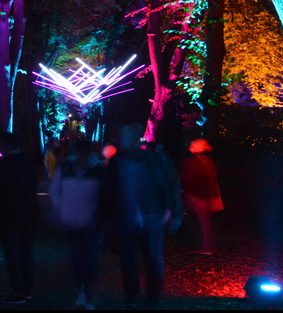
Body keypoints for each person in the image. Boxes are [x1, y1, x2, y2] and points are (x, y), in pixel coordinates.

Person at [102, 124, 173, 309]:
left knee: (149, 261)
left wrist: (168, 207)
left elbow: (164, 182)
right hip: (132, 219)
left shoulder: (145, 159)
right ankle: (137, 297)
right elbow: (109, 189)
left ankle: (145, 298)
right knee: (131, 263)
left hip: (147, 218)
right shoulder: (127, 160)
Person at [49, 139, 105, 310]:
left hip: (91, 222)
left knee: (90, 259)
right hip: (71, 221)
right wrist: (62, 208)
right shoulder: (67, 168)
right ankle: (82, 291)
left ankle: (88, 294)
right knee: (77, 258)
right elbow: (54, 190)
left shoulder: (98, 170)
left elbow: (105, 195)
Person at [0, 132, 39, 305]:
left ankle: (18, 291)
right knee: (26, 252)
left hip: (10, 216)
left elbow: (0, 192)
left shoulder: (7, 164)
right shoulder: (27, 163)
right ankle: (28, 289)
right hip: (28, 214)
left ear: (7, 144)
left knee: (13, 254)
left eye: (0, 143)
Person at [180, 138, 223, 255]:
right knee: (207, 220)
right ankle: (209, 243)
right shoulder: (208, 161)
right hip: (208, 194)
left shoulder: (193, 162)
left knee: (203, 221)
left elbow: (189, 179)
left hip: (197, 195)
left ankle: (206, 246)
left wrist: (186, 192)